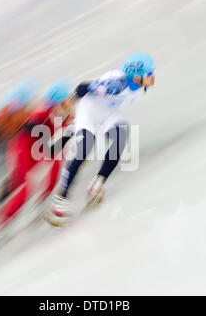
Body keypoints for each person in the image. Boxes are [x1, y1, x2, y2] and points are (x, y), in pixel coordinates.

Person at [49, 51, 156, 220]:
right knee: (84, 150)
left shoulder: (141, 86)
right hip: (88, 112)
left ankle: (98, 183)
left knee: (121, 137)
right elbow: (82, 88)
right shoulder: (116, 83)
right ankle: (61, 197)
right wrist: (68, 104)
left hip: (107, 113)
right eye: (149, 73)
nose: (153, 76)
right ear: (136, 76)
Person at [0, 80, 77, 229]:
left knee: (59, 156)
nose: (71, 102)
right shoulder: (42, 114)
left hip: (35, 148)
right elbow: (48, 144)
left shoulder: (58, 112)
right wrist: (69, 132)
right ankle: (1, 222)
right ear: (59, 101)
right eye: (67, 99)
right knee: (26, 185)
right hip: (23, 149)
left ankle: (43, 199)